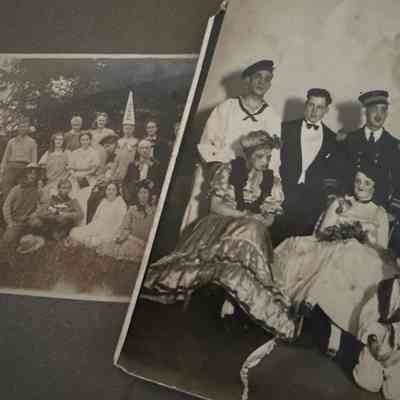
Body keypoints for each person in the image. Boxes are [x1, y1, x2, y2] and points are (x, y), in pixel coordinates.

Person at [142, 130, 294, 337]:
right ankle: (214, 300)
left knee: (253, 230)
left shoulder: (272, 181)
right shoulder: (228, 170)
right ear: (248, 155)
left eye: (268, 157)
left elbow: (270, 219)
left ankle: (232, 301)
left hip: (253, 231)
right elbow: (215, 206)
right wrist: (244, 215)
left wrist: (257, 219)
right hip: (221, 223)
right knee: (247, 229)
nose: (265, 161)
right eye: (260, 156)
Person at [273, 159, 399, 354]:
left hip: (364, 261)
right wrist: (341, 233)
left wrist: (364, 238)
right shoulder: (340, 203)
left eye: (367, 183)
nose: (361, 186)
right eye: (358, 181)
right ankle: (320, 319)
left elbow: (381, 249)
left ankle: (316, 303)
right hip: (331, 250)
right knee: (339, 251)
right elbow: (323, 232)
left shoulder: (378, 213)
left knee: (350, 249)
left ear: (375, 187)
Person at [182, 59, 282, 229]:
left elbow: (274, 157)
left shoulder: (272, 116)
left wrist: (265, 184)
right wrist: (221, 173)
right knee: (201, 219)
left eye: (267, 79)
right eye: (257, 77)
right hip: (217, 174)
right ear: (248, 79)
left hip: (250, 182)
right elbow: (207, 145)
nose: (262, 82)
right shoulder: (226, 108)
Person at [278, 88, 345, 239]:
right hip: (283, 195)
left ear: (326, 110)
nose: (314, 111)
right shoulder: (285, 128)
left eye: (320, 107)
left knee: (301, 245)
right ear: (305, 105)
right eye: (311, 105)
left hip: (311, 202)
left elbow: (332, 174)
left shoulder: (332, 139)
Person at [343, 90, 400, 254]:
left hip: (379, 212)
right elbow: (339, 174)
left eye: (383, 110)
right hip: (349, 208)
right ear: (365, 111)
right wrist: (339, 202)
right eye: (374, 109)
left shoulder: (394, 145)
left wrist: (391, 212)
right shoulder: (349, 139)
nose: (379, 114)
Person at [97, 179, 156, 262]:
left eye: (145, 192)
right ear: (137, 195)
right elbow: (126, 227)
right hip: (133, 240)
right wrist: (121, 238)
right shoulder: (132, 210)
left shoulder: (154, 211)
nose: (143, 196)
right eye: (140, 193)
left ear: (149, 195)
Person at [69, 181, 127, 249]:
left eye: (113, 190)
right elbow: (96, 216)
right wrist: (92, 226)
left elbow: (121, 221)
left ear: (117, 191)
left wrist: (115, 232)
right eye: (109, 189)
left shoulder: (120, 203)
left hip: (110, 227)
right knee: (76, 233)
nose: (111, 192)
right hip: (98, 225)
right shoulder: (104, 201)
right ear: (105, 191)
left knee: (95, 241)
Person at [2, 164, 41, 246]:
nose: (32, 176)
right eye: (30, 173)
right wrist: (10, 222)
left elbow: (40, 204)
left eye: (35, 174)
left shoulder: (37, 190)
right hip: (15, 221)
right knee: (7, 241)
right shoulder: (16, 189)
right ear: (26, 174)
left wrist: (36, 213)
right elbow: (6, 207)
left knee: (39, 226)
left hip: (28, 220)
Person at [0, 116, 37, 199]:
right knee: (6, 187)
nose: (23, 128)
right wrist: (2, 170)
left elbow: (34, 160)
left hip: (25, 168)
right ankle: (7, 205)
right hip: (11, 167)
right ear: (18, 128)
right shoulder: (11, 141)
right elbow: (5, 157)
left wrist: (32, 172)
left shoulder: (32, 142)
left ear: (28, 129)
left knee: (22, 190)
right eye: (21, 126)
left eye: (25, 127)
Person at [86, 134, 119, 223]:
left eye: (108, 146)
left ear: (115, 144)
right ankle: (91, 223)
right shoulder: (106, 156)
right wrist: (101, 178)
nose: (106, 149)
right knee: (91, 198)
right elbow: (101, 172)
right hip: (104, 183)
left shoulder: (119, 156)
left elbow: (120, 175)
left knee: (98, 199)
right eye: (105, 147)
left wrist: (108, 179)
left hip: (115, 185)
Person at [68, 131, 100, 223]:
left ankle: (82, 222)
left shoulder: (94, 152)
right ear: (80, 141)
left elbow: (94, 169)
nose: (85, 142)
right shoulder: (75, 152)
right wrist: (74, 175)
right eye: (82, 140)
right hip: (75, 177)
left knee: (84, 199)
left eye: (87, 139)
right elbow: (70, 168)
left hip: (88, 178)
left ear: (90, 140)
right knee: (72, 197)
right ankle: (70, 222)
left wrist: (84, 175)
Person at [122, 139, 163, 204]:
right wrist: (128, 197)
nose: (144, 150)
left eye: (146, 148)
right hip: (134, 197)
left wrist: (155, 194)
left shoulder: (156, 165)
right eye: (142, 148)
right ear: (138, 150)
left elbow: (160, 182)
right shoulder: (132, 165)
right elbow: (125, 182)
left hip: (150, 198)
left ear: (150, 149)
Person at [38, 132, 71, 201]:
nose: (59, 141)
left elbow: (71, 169)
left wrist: (65, 179)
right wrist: (41, 181)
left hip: (63, 182)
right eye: (56, 139)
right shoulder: (48, 153)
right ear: (53, 141)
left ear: (63, 142)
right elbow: (42, 168)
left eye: (61, 139)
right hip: (50, 181)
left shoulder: (67, 153)